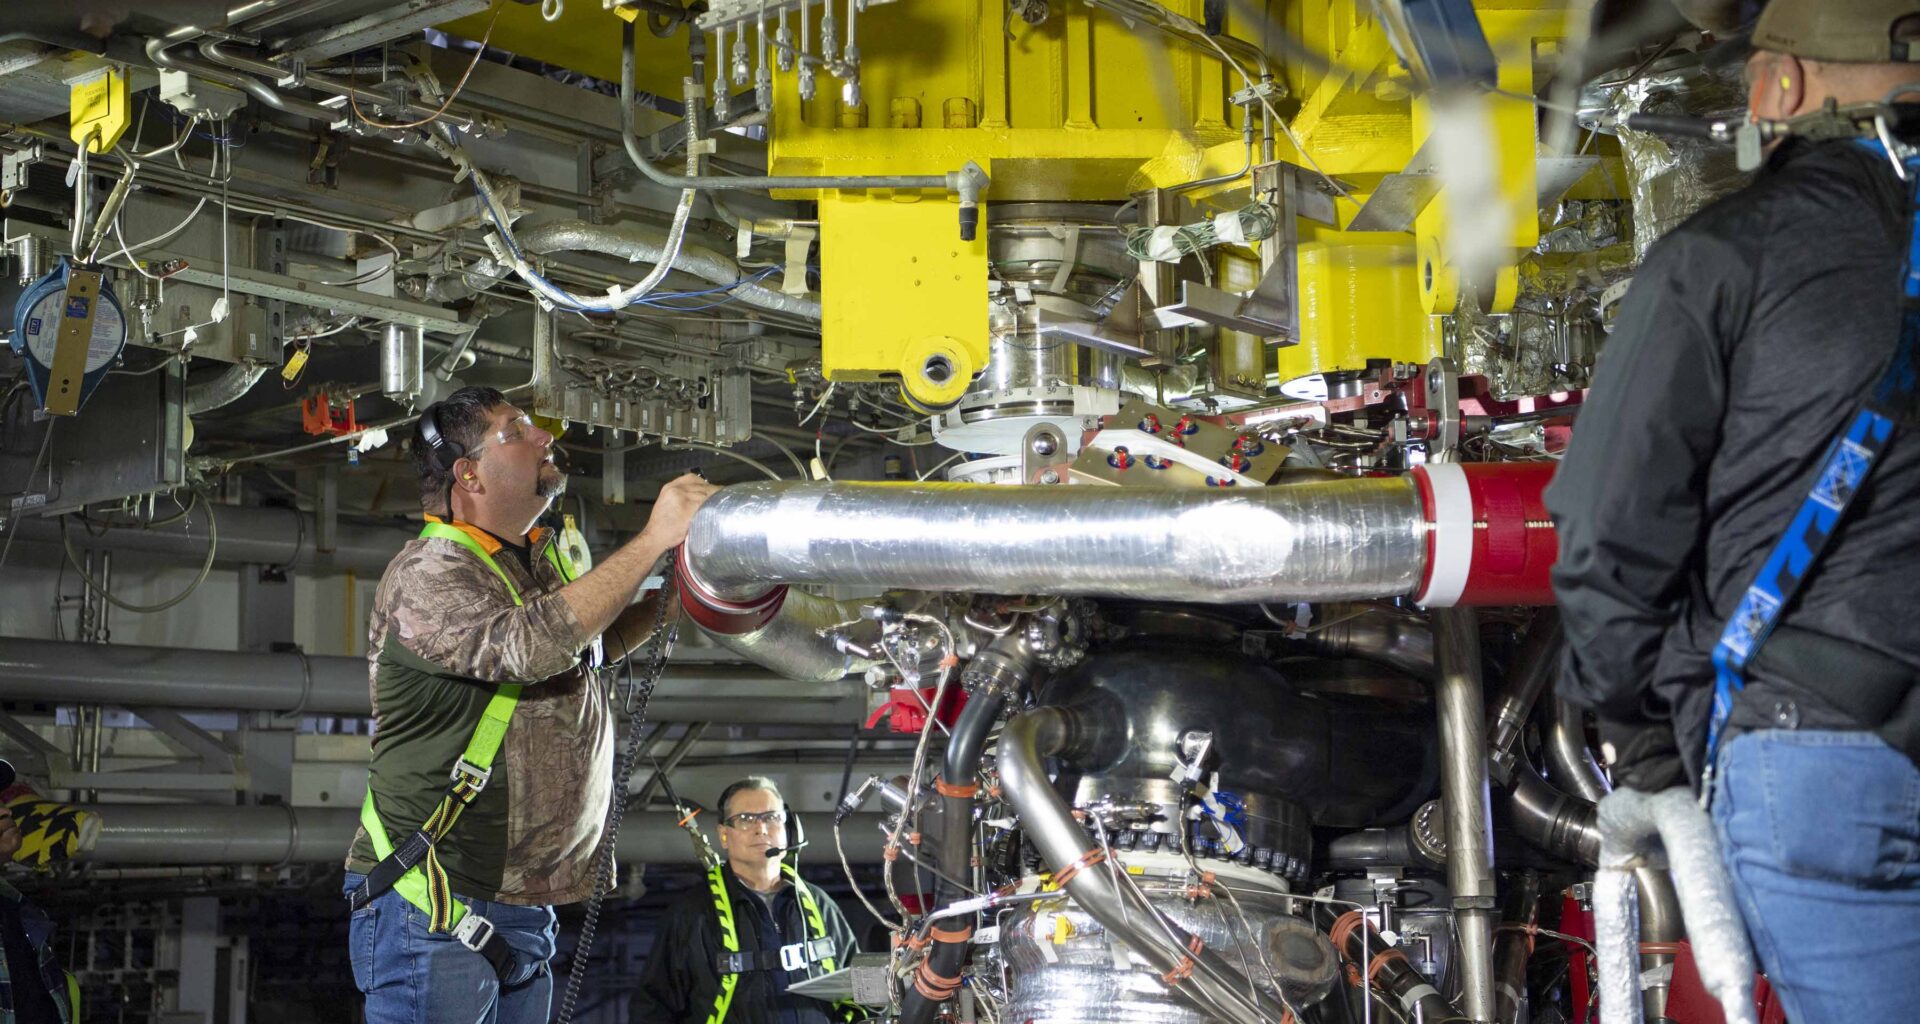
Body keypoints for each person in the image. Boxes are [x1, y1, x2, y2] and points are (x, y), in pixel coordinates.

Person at [1548, 2, 1920, 1020]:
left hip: (1819, 760)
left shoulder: (1722, 259)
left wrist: (1646, 745)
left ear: (1785, 89)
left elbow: (1605, 535)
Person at [342, 386, 717, 1023]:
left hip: (519, 903)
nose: (544, 437)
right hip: (435, 905)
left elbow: (581, 651)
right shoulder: (430, 571)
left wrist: (675, 596)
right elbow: (528, 649)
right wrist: (654, 537)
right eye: (516, 431)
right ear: (468, 473)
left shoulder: (525, 565)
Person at [633, 777, 860, 1024]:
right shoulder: (692, 913)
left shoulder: (819, 905)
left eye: (771, 817)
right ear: (723, 835)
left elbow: (862, 992)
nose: (761, 828)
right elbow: (653, 1009)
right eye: (745, 819)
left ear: (787, 828)